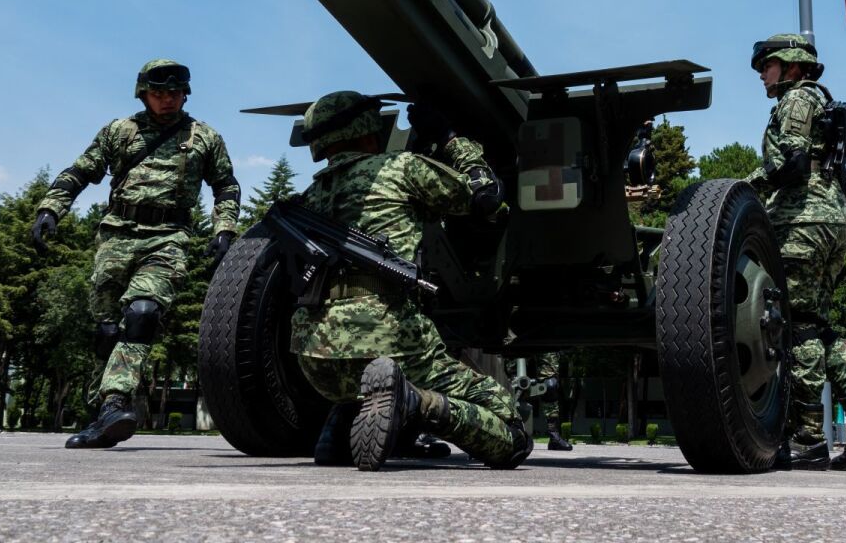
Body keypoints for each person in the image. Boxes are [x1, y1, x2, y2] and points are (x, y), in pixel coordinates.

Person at [290, 92, 530, 471]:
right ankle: (415, 402)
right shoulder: (402, 169)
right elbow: (485, 197)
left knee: (363, 377)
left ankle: (339, 431)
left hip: (316, 361)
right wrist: (451, 140)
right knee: (514, 436)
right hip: (394, 344)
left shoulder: (308, 199)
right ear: (368, 128)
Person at [33, 59, 240, 449]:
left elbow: (226, 186)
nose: (168, 100)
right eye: (159, 93)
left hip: (169, 236)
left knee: (142, 314)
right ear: (143, 93)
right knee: (108, 331)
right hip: (116, 236)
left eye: (175, 93)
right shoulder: (120, 131)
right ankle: (100, 414)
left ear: (185, 93)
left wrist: (224, 229)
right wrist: (50, 209)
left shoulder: (204, 137)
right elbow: (80, 172)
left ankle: (116, 401)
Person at [746, 35, 846, 471]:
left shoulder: (796, 101)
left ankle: (809, 438)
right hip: (831, 219)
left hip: (803, 220)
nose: (761, 74)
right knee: (820, 328)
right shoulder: (819, 102)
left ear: (791, 66)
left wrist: (747, 186)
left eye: (766, 66)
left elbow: (791, 163)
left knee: (799, 329)